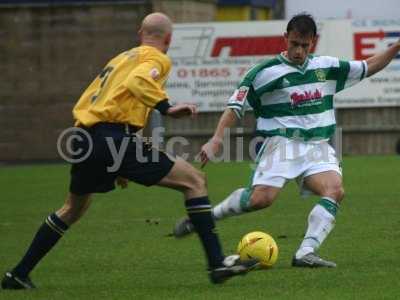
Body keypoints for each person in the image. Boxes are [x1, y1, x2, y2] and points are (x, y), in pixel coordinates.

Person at [1, 13, 259, 290]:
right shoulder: (158, 58)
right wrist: (167, 107)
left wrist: (118, 160)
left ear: (140, 33)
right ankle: (217, 263)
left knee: (72, 208)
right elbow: (138, 82)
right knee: (195, 181)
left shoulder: (120, 58)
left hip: (85, 138)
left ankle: (18, 274)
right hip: (112, 138)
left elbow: (117, 100)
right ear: (169, 39)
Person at [173, 13, 400, 267]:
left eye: (304, 45)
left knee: (335, 190)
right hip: (280, 144)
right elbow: (235, 106)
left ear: (313, 41)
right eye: (294, 44)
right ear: (286, 38)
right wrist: (216, 139)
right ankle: (205, 218)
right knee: (261, 199)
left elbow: (369, 66)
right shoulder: (264, 73)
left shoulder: (327, 66)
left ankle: (306, 252)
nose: (298, 51)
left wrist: (397, 45)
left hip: (317, 146)